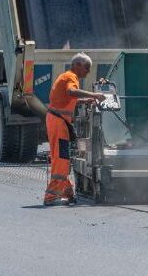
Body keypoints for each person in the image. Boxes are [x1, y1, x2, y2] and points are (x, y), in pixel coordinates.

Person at [43, 53, 106, 206]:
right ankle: (51, 196)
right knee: (61, 159)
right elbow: (71, 92)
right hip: (58, 122)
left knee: (62, 157)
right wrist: (95, 95)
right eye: (87, 68)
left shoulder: (65, 76)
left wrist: (87, 99)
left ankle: (66, 192)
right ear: (77, 65)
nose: (88, 72)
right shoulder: (71, 77)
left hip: (57, 121)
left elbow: (70, 98)